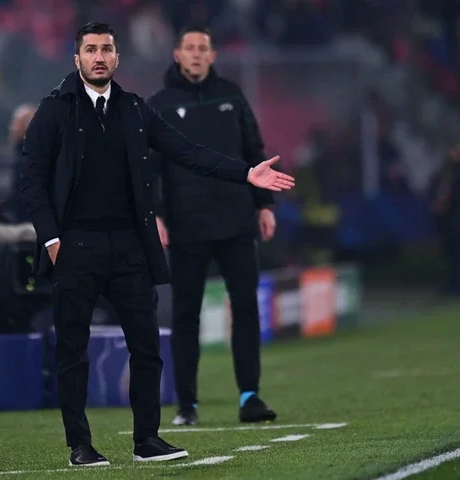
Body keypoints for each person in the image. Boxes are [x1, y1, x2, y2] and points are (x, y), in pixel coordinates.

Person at [20, 21, 295, 467]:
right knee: (73, 349)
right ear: (76, 59)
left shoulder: (133, 108)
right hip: (75, 247)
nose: (99, 57)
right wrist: (52, 239)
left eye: (106, 49)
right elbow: (31, 179)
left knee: (146, 346)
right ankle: (80, 446)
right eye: (90, 50)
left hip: (129, 245)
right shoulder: (54, 111)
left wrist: (245, 174)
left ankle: (147, 439)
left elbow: (186, 151)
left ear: (117, 57)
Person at [148, 26, 279, 426]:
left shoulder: (232, 96)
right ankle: (186, 404)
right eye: (189, 48)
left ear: (213, 55)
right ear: (177, 54)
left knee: (246, 310)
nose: (196, 54)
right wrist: (154, 215)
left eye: (203, 48)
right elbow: (148, 168)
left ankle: (250, 396)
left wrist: (264, 204)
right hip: (185, 226)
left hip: (237, 221)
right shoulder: (159, 104)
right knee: (186, 316)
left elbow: (254, 151)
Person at [428, 143, 460, 296]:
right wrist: (436, 202)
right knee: (449, 253)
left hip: (458, 217)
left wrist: (452, 202)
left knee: (458, 254)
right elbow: (433, 188)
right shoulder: (443, 172)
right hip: (445, 219)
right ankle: (451, 285)